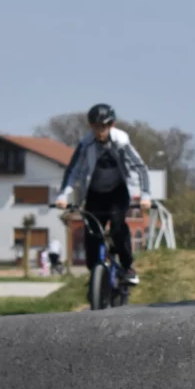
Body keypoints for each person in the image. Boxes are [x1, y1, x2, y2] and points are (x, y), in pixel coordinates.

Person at [55, 103, 153, 285]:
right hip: (94, 193)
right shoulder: (85, 144)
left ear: (111, 125)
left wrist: (145, 196)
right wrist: (63, 195)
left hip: (118, 192)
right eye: (95, 127)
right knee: (91, 233)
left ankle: (127, 267)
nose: (100, 131)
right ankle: (95, 273)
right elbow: (73, 170)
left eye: (103, 127)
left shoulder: (122, 142)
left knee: (118, 228)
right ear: (91, 126)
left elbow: (141, 167)